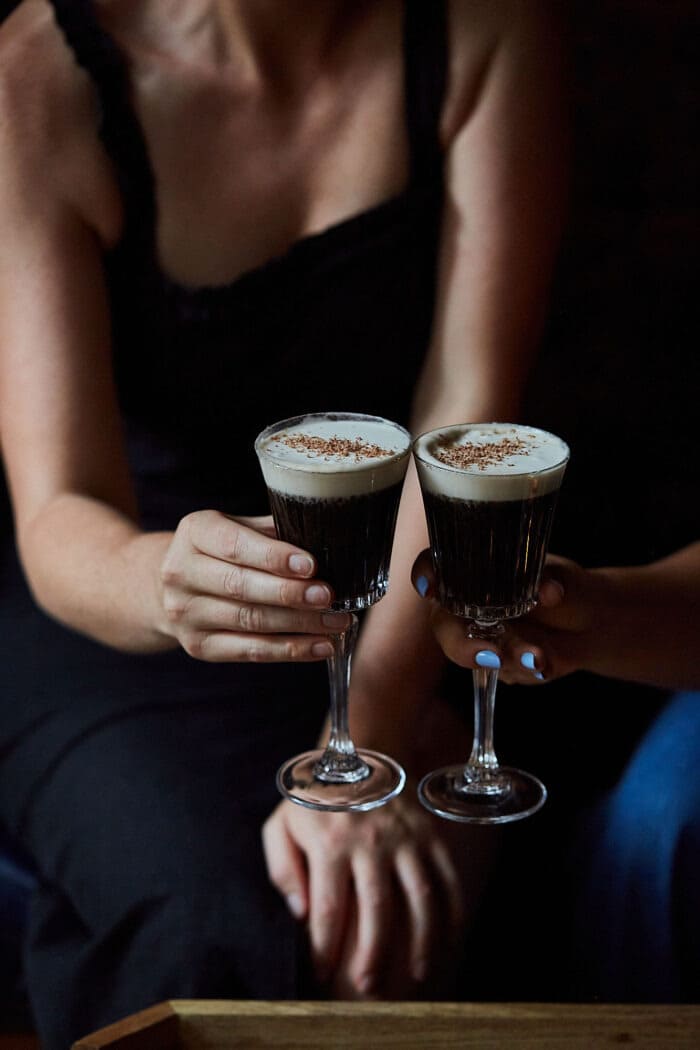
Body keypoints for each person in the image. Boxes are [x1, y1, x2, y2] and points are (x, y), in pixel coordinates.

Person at [0, 0, 568, 1045]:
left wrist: (370, 745)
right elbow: (56, 516)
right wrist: (163, 583)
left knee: (391, 919)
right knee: (210, 923)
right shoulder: (44, 73)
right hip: (127, 621)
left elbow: (464, 425)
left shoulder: (483, 30)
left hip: (406, 595)